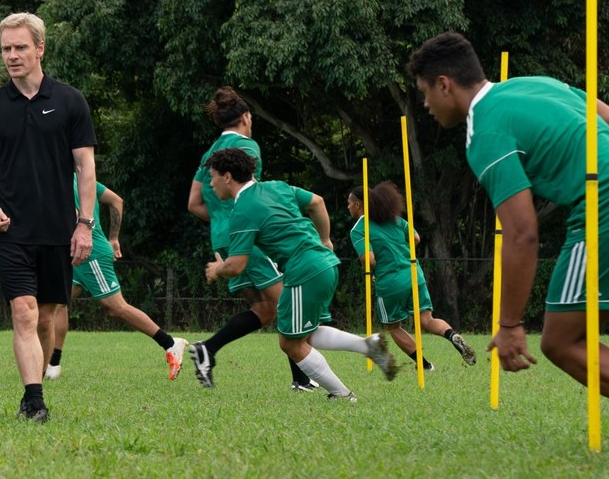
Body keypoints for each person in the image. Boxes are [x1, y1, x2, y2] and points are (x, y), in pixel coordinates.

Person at [0, 12, 165, 424]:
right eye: (6, 48)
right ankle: (34, 399)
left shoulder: (70, 101)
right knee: (22, 311)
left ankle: (35, 388)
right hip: (11, 231)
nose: (12, 55)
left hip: (59, 230)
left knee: (45, 317)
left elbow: (86, 169)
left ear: (40, 48)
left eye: (20, 47)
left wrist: (84, 224)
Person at [407, 31, 609, 400]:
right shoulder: (537, 84)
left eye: (425, 93)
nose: (426, 105)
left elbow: (522, 232)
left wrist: (509, 324)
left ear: (444, 85)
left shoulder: (484, 132)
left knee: (562, 341)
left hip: (605, 203)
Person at [204, 148, 397, 401]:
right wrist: (325, 240)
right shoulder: (276, 187)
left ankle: (342, 394)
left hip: (304, 270)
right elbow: (317, 202)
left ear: (227, 177)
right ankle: (368, 346)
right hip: (325, 265)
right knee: (306, 333)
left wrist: (218, 268)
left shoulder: (241, 211)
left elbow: (237, 266)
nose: (211, 182)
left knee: (290, 344)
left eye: (213, 176)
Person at [186, 87, 313, 391]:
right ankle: (302, 380)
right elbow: (254, 198)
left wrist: (221, 221)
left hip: (223, 239)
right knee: (290, 304)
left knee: (265, 310)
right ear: (245, 117)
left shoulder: (210, 154)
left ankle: (208, 349)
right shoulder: (247, 148)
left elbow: (193, 203)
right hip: (248, 239)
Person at [46, 176, 187, 380]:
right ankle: (53, 364)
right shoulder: (81, 178)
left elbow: (72, 216)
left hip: (89, 253)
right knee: (57, 303)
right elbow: (116, 200)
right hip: (78, 251)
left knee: (115, 307)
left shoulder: (56, 181)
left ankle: (170, 343)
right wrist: (113, 238)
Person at [347, 181, 477, 370]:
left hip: (389, 281)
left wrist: (372, 271)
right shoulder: (392, 218)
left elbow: (370, 259)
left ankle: (425, 365)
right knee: (427, 320)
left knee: (392, 327)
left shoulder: (359, 229)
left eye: (349, 202)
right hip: (414, 274)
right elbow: (416, 238)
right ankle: (452, 336)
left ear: (358, 204)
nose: (348, 206)